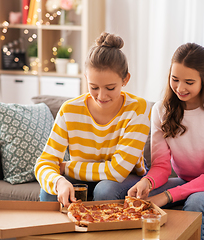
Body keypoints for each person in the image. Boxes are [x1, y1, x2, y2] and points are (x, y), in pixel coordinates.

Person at [128, 43, 204, 240]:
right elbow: (161, 167)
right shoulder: (160, 110)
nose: (180, 88)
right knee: (131, 194)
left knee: (195, 202)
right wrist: (147, 181)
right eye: (175, 79)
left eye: (189, 82)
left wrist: (167, 196)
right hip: (187, 180)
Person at [35, 32, 151, 207]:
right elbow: (45, 162)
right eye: (94, 87)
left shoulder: (138, 109)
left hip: (124, 179)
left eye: (110, 88)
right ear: (86, 79)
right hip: (84, 177)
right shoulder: (69, 110)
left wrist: (68, 168)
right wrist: (59, 182)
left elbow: (118, 171)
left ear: (125, 79)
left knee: (105, 191)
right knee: (49, 193)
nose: (101, 96)